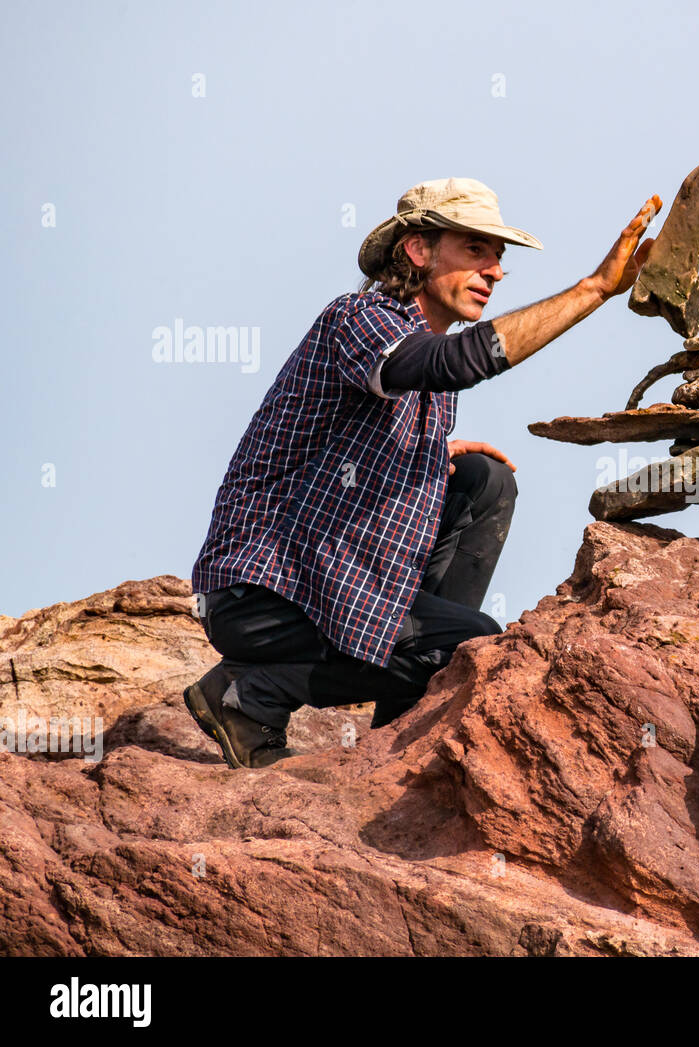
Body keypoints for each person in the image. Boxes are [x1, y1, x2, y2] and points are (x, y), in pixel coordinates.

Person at [185, 177, 661, 768]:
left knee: (484, 481)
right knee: (469, 648)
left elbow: (421, 385)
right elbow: (451, 363)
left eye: (498, 257)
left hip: (330, 584)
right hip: (262, 595)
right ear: (417, 250)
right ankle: (246, 696)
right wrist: (593, 289)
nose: (495, 271)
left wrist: (428, 456)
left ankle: (401, 724)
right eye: (475, 250)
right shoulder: (358, 319)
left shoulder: (425, 381)